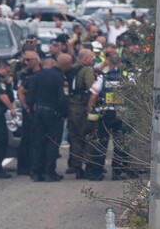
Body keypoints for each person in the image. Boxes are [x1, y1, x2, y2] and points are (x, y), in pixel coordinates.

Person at [91, 48, 133, 180]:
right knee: (120, 143)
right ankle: (118, 172)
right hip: (122, 114)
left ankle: (97, 172)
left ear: (108, 63)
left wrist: (90, 109)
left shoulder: (103, 77)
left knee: (102, 142)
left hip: (106, 114)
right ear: (120, 63)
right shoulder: (128, 77)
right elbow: (135, 94)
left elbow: (94, 94)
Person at [29, 53, 67, 182]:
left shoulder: (36, 76)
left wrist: (31, 111)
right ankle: (49, 172)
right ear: (52, 64)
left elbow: (30, 97)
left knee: (38, 142)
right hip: (53, 113)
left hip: (38, 112)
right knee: (52, 143)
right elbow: (62, 98)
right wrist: (64, 113)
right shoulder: (58, 77)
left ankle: (36, 172)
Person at [68, 49, 101, 180]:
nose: (92, 60)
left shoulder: (70, 69)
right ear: (86, 58)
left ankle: (76, 166)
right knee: (89, 137)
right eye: (91, 58)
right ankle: (89, 166)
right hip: (83, 107)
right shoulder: (87, 70)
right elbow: (91, 88)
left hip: (71, 106)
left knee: (75, 138)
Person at [14, 49, 42, 175]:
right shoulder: (25, 74)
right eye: (24, 60)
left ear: (36, 60)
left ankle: (36, 165)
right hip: (29, 109)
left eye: (28, 60)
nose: (25, 62)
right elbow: (20, 91)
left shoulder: (42, 72)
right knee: (26, 138)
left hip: (40, 108)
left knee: (38, 138)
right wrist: (25, 106)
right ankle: (24, 167)